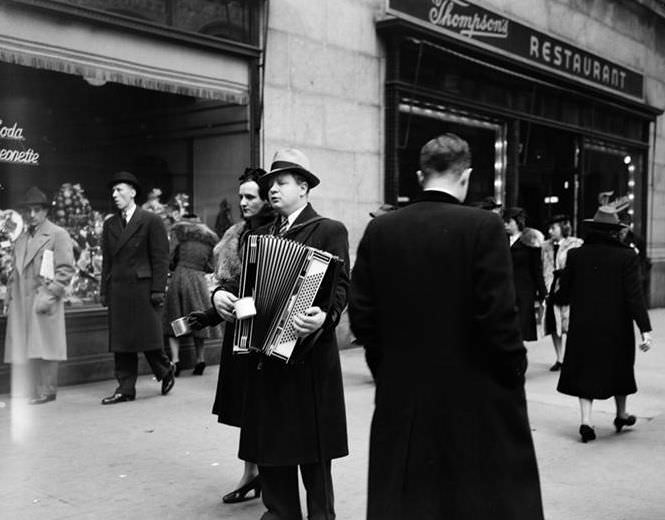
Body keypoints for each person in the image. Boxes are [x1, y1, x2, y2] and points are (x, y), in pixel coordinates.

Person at [349, 134, 543, 520]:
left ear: (420, 175)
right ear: (466, 175)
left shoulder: (381, 230)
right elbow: (500, 318)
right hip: (475, 398)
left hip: (402, 398)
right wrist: (512, 373)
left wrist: (387, 370)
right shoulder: (484, 227)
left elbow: (362, 315)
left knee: (408, 501)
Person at [211, 149, 350, 520]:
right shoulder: (258, 235)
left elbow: (340, 289)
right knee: (272, 447)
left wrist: (324, 317)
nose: (273, 190)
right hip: (266, 359)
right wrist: (221, 298)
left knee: (314, 454)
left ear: (303, 187)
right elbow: (247, 293)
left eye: (282, 183)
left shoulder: (328, 230)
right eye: (270, 184)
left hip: (308, 359)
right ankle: (280, 514)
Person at [188, 167, 274, 504]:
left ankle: (264, 475)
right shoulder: (236, 233)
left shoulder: (277, 232)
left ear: (268, 198)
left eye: (251, 196)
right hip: (238, 333)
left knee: (261, 408)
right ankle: (251, 473)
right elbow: (227, 285)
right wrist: (213, 304)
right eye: (241, 196)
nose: (243, 202)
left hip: (263, 334)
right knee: (246, 407)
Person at [556, 206, 652, 443]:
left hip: (584, 324)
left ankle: (586, 421)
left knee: (585, 369)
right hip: (616, 325)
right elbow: (634, 296)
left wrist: (553, 298)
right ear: (615, 232)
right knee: (619, 367)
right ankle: (620, 414)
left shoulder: (576, 255)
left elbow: (564, 294)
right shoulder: (627, 256)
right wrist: (645, 329)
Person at [100, 171, 175, 405]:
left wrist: (157, 290)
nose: (115, 195)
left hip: (143, 288)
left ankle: (165, 370)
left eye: (119, 190)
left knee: (147, 338)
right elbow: (107, 261)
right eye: (113, 191)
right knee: (122, 341)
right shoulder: (110, 223)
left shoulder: (151, 220)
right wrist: (104, 290)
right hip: (119, 288)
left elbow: (160, 258)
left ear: (133, 192)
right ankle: (125, 388)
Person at [4, 187, 75, 404]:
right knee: (29, 345)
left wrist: (49, 295)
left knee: (45, 345)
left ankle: (47, 390)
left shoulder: (58, 234)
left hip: (43, 298)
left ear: (45, 211)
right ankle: (33, 389)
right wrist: (9, 298)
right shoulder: (22, 238)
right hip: (22, 300)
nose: (32, 215)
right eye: (28, 210)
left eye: (37, 210)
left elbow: (65, 270)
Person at [164, 213, 220, 376]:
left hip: (180, 277)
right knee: (198, 320)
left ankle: (175, 361)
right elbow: (211, 266)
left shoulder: (180, 234)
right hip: (198, 280)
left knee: (174, 319)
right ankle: (200, 360)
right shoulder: (209, 239)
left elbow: (171, 258)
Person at [541, 214, 583, 371]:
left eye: (554, 227)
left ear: (563, 228)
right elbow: (543, 268)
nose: (550, 231)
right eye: (550, 228)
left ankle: (572, 358)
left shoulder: (576, 244)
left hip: (569, 289)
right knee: (554, 326)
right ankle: (560, 358)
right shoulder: (545, 246)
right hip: (551, 288)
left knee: (570, 325)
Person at [503, 207, 547, 342]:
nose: (505, 225)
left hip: (524, 290)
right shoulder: (501, 240)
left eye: (508, 222)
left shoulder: (530, 240)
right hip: (505, 290)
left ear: (517, 222)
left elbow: (537, 269)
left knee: (520, 329)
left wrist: (543, 293)